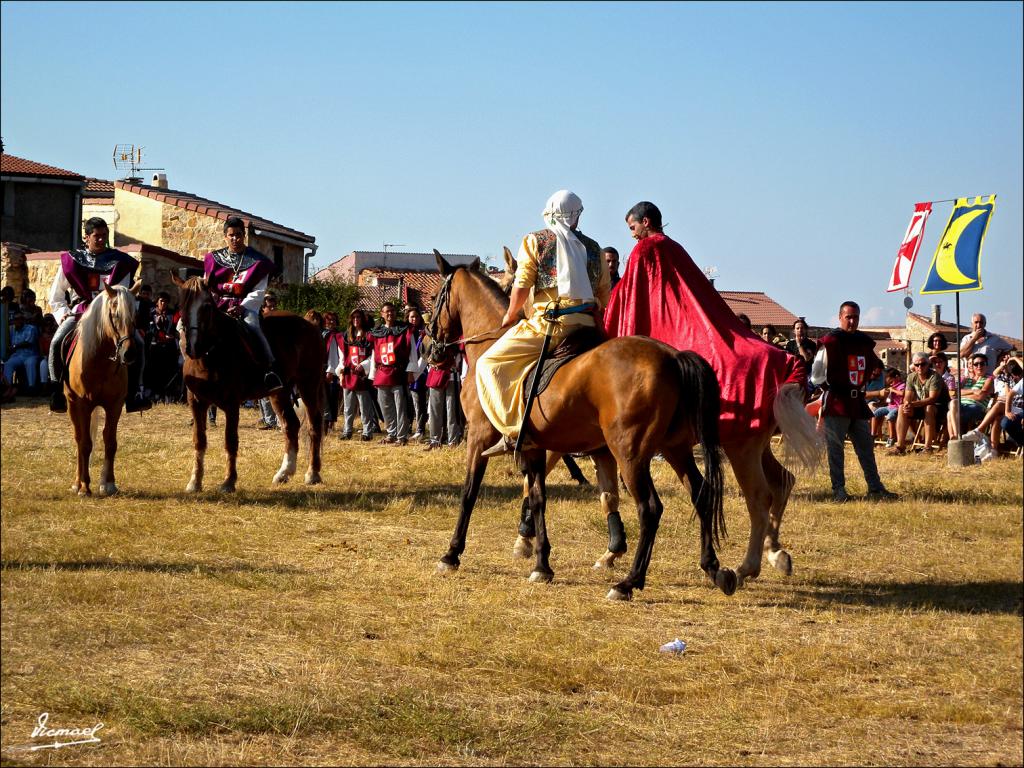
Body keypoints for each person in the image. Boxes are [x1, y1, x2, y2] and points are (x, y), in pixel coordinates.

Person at [603, 200, 803, 443]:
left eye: (633, 228)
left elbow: (630, 298)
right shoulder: (675, 247)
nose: (633, 235)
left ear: (645, 222)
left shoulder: (644, 250)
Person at [476, 189, 611, 456]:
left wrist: (510, 314)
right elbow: (604, 293)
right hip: (587, 325)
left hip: (550, 325)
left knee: (488, 364)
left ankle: (515, 431)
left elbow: (522, 283)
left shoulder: (535, 241)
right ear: (575, 215)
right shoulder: (594, 248)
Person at [47, 216, 151, 413]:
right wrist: (63, 314)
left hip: (111, 315)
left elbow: (124, 293)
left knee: (138, 342)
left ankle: (136, 392)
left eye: (104, 235)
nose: (102, 239)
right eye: (97, 236)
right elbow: (57, 296)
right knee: (56, 342)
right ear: (86, 237)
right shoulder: (71, 261)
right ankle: (56, 391)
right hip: (81, 313)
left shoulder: (120, 262)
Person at [810, 301, 898, 502]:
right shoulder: (831, 341)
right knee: (836, 450)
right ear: (840, 317)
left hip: (857, 402)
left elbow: (876, 365)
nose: (852, 321)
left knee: (866, 448)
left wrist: (872, 376)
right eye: (848, 317)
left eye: (855, 317)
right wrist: (828, 391)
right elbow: (816, 375)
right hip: (837, 401)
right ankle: (839, 491)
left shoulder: (864, 342)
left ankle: (875, 488)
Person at [202, 216, 283, 392]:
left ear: (244, 235)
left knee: (254, 326)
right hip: (218, 305)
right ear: (225, 236)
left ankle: (269, 369)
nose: (235, 239)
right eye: (231, 235)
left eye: (238, 235)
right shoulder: (213, 259)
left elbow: (259, 290)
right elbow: (206, 286)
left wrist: (243, 307)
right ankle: (191, 365)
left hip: (245, 307)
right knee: (186, 326)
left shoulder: (258, 262)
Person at [369, 301, 415, 445]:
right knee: (385, 406)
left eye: (392, 311)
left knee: (400, 406)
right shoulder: (376, 332)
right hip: (382, 373)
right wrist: (373, 374)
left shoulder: (404, 330)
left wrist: (410, 371)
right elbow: (373, 355)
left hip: (398, 372)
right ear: (382, 314)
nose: (390, 313)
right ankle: (391, 433)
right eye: (387, 311)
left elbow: (412, 352)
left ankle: (401, 437)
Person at [329, 308, 377, 441]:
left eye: (358, 317)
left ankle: (367, 432)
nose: (356, 320)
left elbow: (373, 354)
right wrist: (341, 371)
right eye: (354, 317)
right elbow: (342, 356)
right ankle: (347, 431)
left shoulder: (368, 335)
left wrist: (364, 365)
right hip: (349, 374)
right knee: (348, 407)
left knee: (364, 406)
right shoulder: (345, 336)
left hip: (362, 376)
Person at [889, 351, 944, 454]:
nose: (920, 367)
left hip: (939, 408)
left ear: (928, 364)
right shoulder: (911, 377)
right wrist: (907, 404)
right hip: (920, 406)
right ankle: (900, 447)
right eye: (917, 364)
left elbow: (932, 399)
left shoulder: (934, 377)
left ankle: (927, 448)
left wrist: (912, 404)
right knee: (901, 408)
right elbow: (907, 396)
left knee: (929, 407)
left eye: (922, 364)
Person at [423, 342, 464, 450]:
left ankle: (453, 441)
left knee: (452, 411)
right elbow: (427, 358)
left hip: (452, 376)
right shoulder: (432, 341)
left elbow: (458, 361)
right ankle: (435, 441)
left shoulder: (456, 342)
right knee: (435, 410)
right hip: (436, 375)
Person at [947, 353, 994, 440]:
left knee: (950, 412)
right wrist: (973, 391)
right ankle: (957, 436)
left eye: (982, 363)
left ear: (986, 365)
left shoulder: (988, 379)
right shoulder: (966, 379)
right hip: (960, 406)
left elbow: (981, 397)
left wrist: (963, 395)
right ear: (973, 366)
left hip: (977, 407)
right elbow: (955, 393)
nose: (979, 366)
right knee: (952, 406)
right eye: (976, 364)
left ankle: (955, 437)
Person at [146, 292, 181, 404]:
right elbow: (148, 329)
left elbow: (177, 327)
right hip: (155, 346)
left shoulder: (172, 314)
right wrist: (159, 335)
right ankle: (155, 395)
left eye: (165, 301)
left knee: (169, 371)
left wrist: (174, 335)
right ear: (157, 301)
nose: (163, 303)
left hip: (169, 348)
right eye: (161, 301)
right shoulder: (150, 314)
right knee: (155, 372)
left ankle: (168, 396)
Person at [405, 305, 429, 442]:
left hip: (420, 372)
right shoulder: (406, 332)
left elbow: (424, 354)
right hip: (406, 370)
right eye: (411, 317)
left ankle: (420, 429)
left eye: (416, 316)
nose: (414, 319)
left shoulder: (424, 333)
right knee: (408, 402)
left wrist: (416, 372)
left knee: (419, 402)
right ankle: (407, 427)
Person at [3, 311, 40, 393]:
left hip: (30, 354)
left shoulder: (31, 328)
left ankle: (31, 388)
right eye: (15, 319)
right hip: (18, 355)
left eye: (20, 319)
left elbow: (28, 342)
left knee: (30, 363)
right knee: (8, 364)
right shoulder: (12, 329)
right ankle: (7, 388)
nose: (17, 321)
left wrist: (14, 346)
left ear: (23, 320)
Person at [869, 367, 905, 447]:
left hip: (898, 407)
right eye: (889, 382)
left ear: (897, 377)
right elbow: (886, 400)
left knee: (890, 416)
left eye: (892, 381)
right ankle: (873, 435)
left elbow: (902, 393)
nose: (891, 384)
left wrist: (893, 390)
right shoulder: (891, 387)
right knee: (875, 413)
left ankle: (892, 437)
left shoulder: (902, 385)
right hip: (889, 406)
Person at [321, 311, 341, 432]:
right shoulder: (322, 333)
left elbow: (334, 354)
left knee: (332, 397)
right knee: (324, 397)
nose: (331, 322)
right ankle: (325, 421)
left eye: (333, 319)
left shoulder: (337, 335)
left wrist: (330, 370)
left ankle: (330, 423)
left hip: (332, 370)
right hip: (321, 369)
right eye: (329, 320)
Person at [785, 318, 817, 389]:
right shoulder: (790, 344)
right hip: (793, 375)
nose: (800, 330)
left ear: (805, 330)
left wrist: (799, 344)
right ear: (794, 331)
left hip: (806, 376)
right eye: (797, 328)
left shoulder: (811, 344)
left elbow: (806, 358)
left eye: (802, 328)